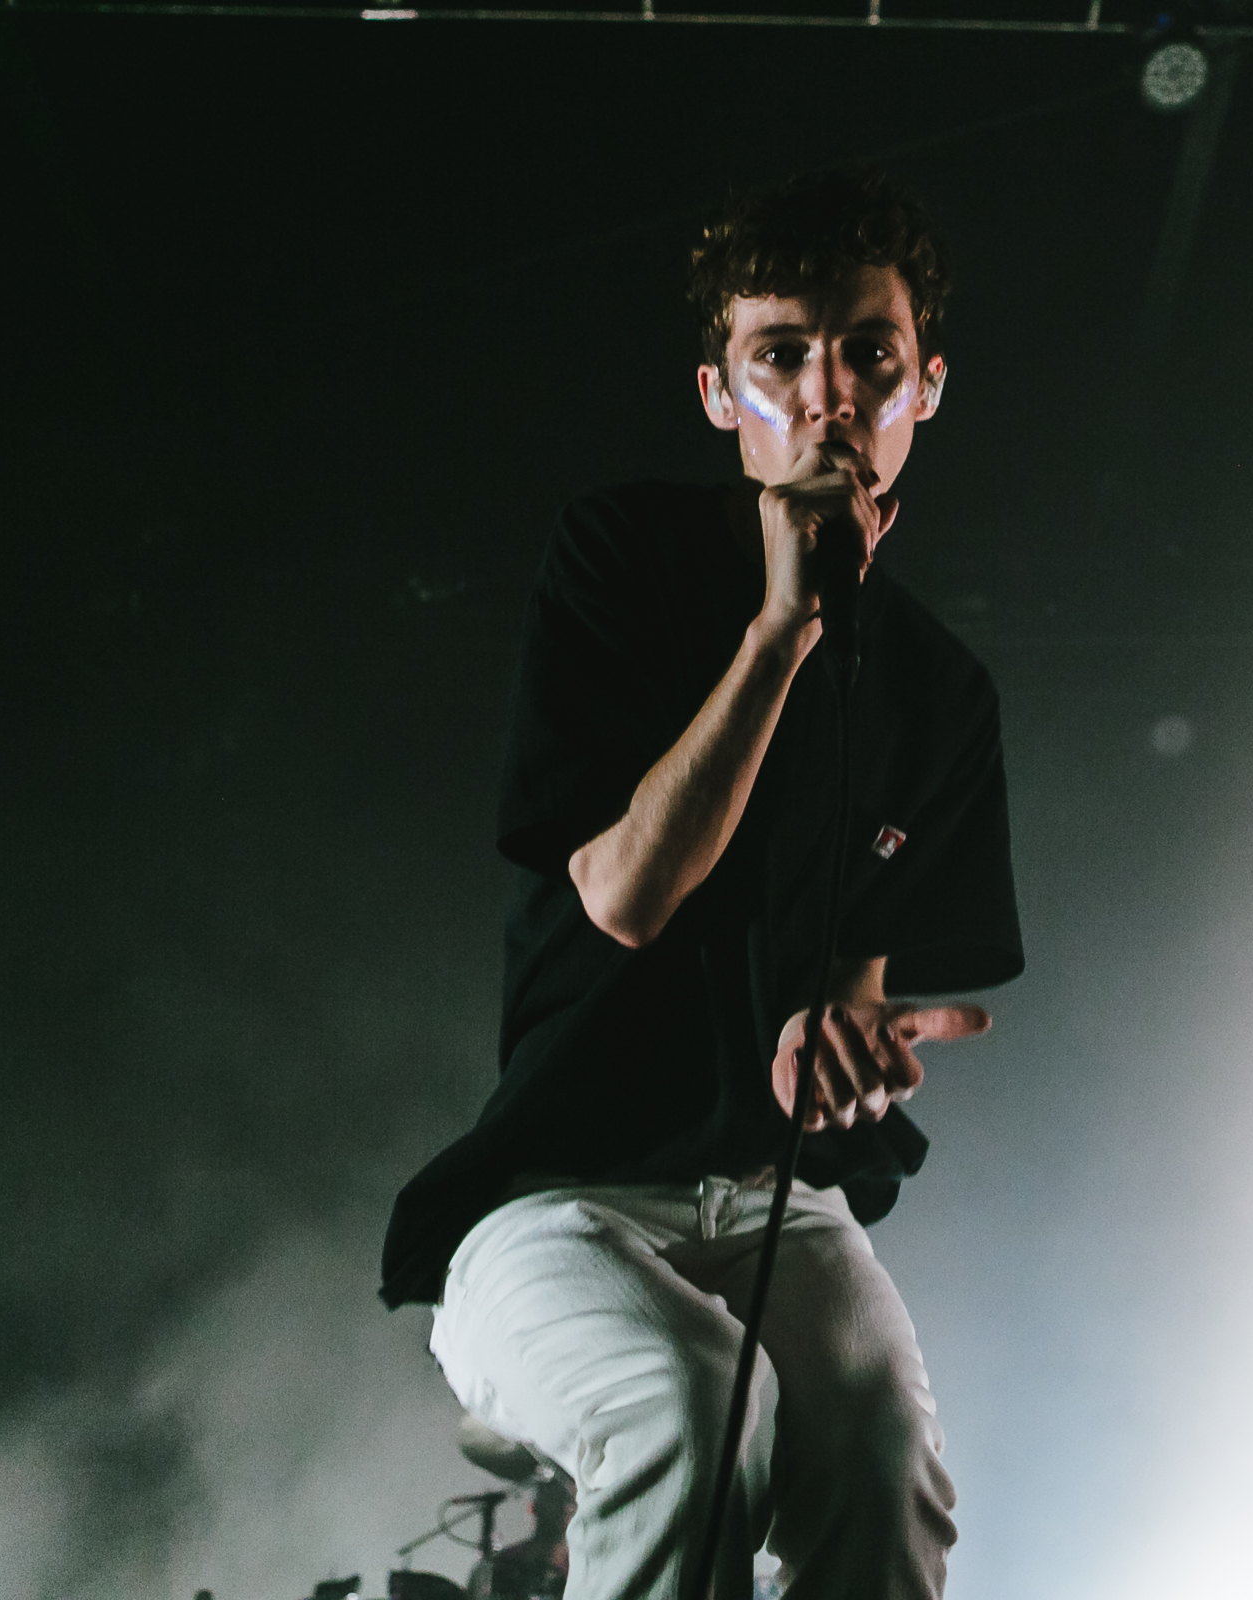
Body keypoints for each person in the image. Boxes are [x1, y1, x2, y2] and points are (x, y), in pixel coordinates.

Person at [379, 168, 1024, 1600]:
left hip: (771, 1201)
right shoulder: (622, 557)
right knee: (689, 1404)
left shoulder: (940, 694)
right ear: (721, 396)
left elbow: (841, 995)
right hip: (561, 1198)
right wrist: (782, 628)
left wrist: (834, 1049)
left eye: (870, 354)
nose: (829, 396)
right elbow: (624, 894)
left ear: (926, 388)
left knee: (885, 1468)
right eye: (780, 356)